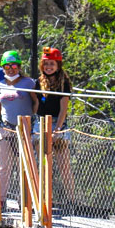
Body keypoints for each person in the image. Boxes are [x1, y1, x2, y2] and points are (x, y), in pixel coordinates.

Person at [32, 47, 76, 212]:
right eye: (46, 64)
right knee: (44, 164)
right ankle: (45, 199)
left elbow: (64, 108)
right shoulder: (38, 82)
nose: (48, 67)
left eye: (52, 64)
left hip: (58, 123)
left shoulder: (63, 82)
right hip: (41, 123)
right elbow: (36, 105)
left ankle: (72, 201)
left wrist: (58, 130)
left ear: (58, 65)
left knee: (64, 165)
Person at [0, 50, 37, 209]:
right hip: (6, 128)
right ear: (3, 68)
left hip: (24, 129)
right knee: (3, 166)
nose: (10, 69)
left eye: (14, 66)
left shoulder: (29, 83)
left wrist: (33, 119)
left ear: (19, 66)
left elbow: (36, 102)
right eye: (7, 66)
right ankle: (0, 200)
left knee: (23, 166)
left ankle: (24, 201)